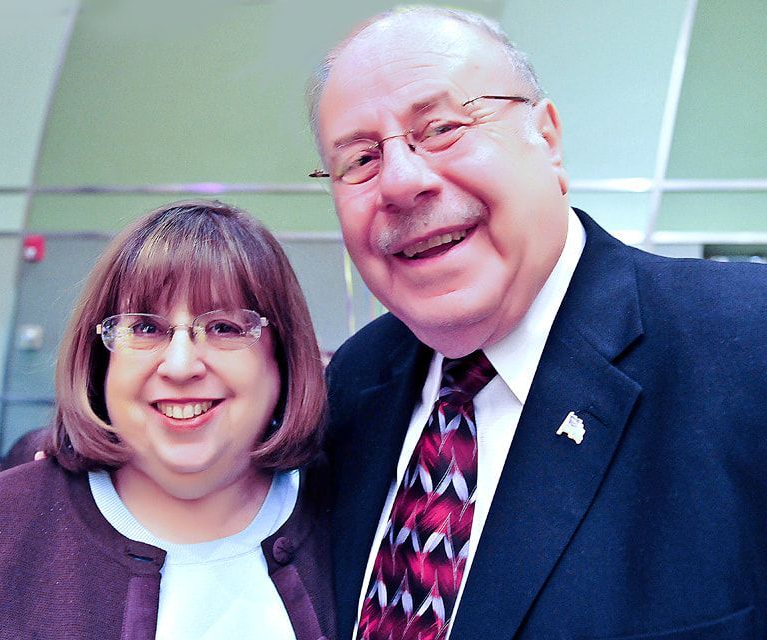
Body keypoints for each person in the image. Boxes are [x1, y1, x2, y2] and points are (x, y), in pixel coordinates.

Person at [307, 6, 767, 640]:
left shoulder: (748, 346)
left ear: (547, 140)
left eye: (441, 128)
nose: (401, 181)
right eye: (359, 160)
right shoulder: (349, 389)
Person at [0, 200, 334, 640]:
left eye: (223, 328)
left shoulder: (353, 516)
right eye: (144, 328)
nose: (180, 366)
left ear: (283, 358)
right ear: (100, 361)